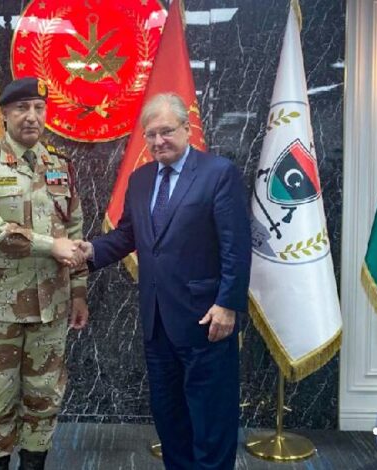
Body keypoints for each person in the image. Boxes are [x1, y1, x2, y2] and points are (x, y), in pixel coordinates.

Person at [79, 93, 251, 469]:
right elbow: (126, 235)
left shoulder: (218, 173)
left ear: (187, 129)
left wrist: (227, 304)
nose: (158, 141)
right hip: (157, 323)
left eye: (166, 131)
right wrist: (88, 251)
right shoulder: (141, 179)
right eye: (151, 134)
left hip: (206, 321)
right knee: (170, 419)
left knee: (211, 421)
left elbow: (236, 246)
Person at [0, 77, 89, 470]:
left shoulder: (60, 165)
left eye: (38, 108)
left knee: (44, 399)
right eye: (21, 108)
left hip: (52, 305)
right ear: (4, 114)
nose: (31, 116)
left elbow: (75, 230)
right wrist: (49, 245)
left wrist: (79, 291)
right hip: (0, 310)